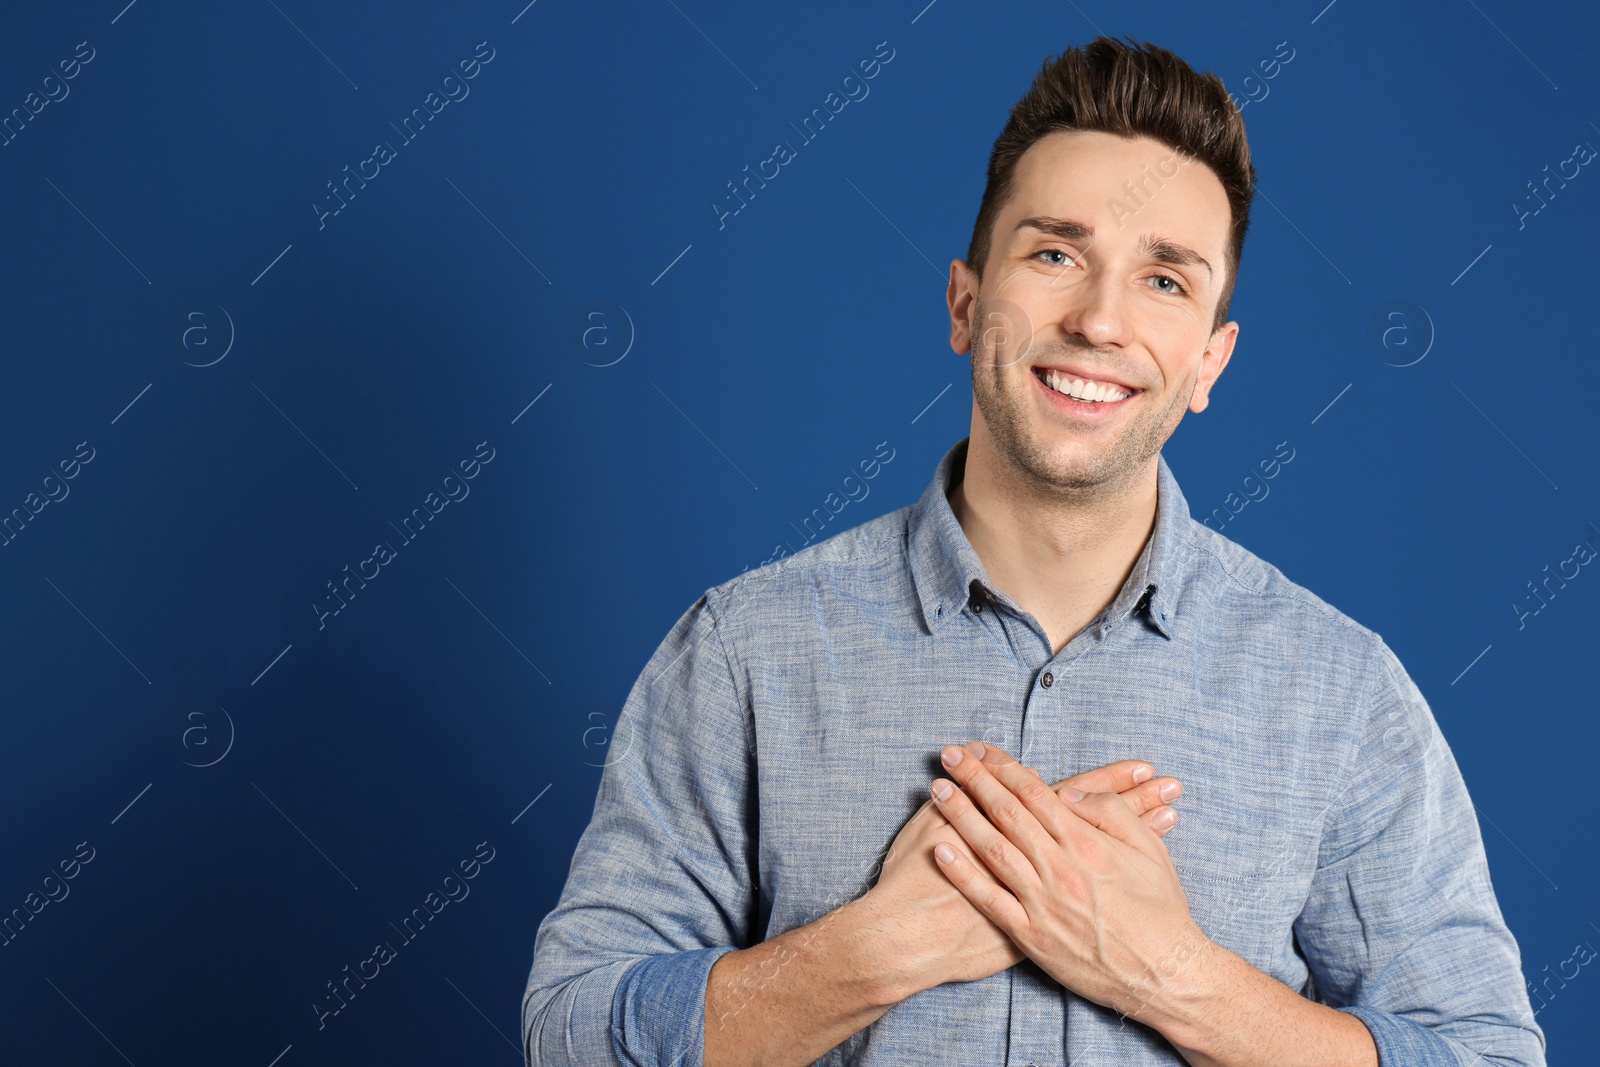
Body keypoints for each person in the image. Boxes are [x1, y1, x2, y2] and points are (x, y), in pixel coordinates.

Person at [522, 36, 1546, 1066]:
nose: (1099, 319)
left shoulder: (1342, 695)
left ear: (1209, 361)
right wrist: (869, 952)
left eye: (1163, 279)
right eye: (1055, 253)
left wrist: (1169, 972)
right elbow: (570, 1030)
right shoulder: (742, 653)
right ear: (967, 303)